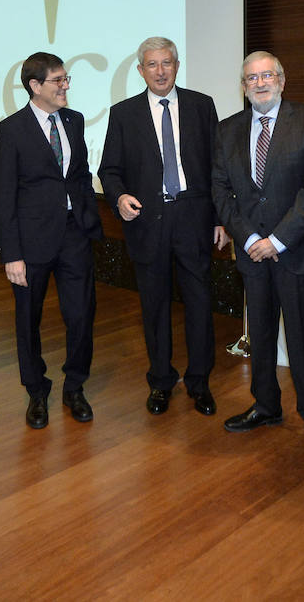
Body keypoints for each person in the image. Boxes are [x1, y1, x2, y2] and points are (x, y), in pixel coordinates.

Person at [99, 37, 229, 416]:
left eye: (167, 63)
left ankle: (199, 382)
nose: (160, 71)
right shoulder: (123, 113)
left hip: (194, 218)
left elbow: (217, 167)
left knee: (200, 304)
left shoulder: (201, 106)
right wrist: (120, 196)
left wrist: (222, 217)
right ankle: (160, 381)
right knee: (154, 306)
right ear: (140, 70)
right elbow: (109, 169)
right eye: (152, 64)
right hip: (147, 221)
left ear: (176, 65)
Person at [212, 51, 304, 457]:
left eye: (267, 76)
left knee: (302, 339)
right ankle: (265, 406)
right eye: (251, 78)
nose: (260, 83)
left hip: (294, 251)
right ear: (243, 87)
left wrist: (277, 240)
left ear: (282, 80)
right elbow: (220, 190)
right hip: (251, 253)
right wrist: (247, 239)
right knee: (260, 337)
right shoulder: (227, 129)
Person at [0, 52, 103, 429]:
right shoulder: (10, 130)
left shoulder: (74, 120)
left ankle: (75, 387)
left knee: (81, 314)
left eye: (66, 78)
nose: (66, 86)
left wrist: (87, 215)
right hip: (30, 241)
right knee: (28, 319)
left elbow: (81, 172)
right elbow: (4, 195)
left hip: (74, 234)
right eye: (58, 80)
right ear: (35, 86)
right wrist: (12, 254)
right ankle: (36, 391)